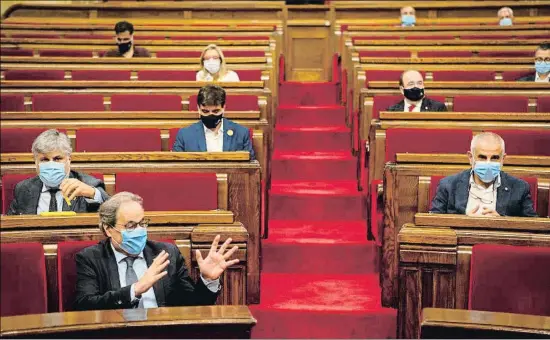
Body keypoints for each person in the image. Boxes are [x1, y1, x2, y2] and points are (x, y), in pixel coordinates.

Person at [74, 192, 239, 310]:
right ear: (108, 229)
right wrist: (135, 289)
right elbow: (86, 305)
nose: (139, 230)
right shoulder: (90, 258)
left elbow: (191, 306)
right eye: (131, 226)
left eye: (142, 223)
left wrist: (207, 280)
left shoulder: (166, 254)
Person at [430, 132, 537, 217]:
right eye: (482, 157)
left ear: (503, 159)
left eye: (494, 158)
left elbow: (532, 225)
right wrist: (464, 221)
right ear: (471, 157)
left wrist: (502, 222)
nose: (488, 163)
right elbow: (433, 221)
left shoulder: (519, 187)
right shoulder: (448, 185)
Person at [7, 129, 109, 215]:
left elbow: (113, 210)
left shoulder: (87, 184)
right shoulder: (23, 189)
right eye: (44, 159)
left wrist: (92, 193)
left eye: (57, 158)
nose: (51, 164)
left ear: (69, 159)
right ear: (36, 162)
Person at [172, 85, 255, 160]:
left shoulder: (241, 133)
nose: (210, 115)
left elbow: (250, 167)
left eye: (215, 111)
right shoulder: (184, 135)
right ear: (198, 108)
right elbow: (177, 167)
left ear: (224, 108)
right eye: (205, 111)